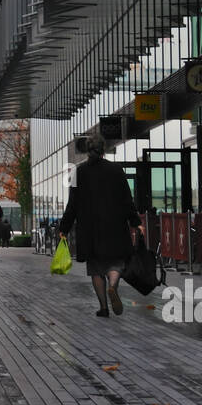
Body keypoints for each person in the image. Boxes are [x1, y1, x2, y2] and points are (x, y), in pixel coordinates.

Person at [58, 135, 141, 317]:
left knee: (96, 269)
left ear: (87, 150)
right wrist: (135, 221)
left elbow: (72, 205)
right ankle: (113, 286)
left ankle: (103, 308)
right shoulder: (116, 170)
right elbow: (127, 200)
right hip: (115, 227)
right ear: (104, 149)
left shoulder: (78, 172)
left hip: (90, 230)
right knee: (116, 263)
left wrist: (64, 227)